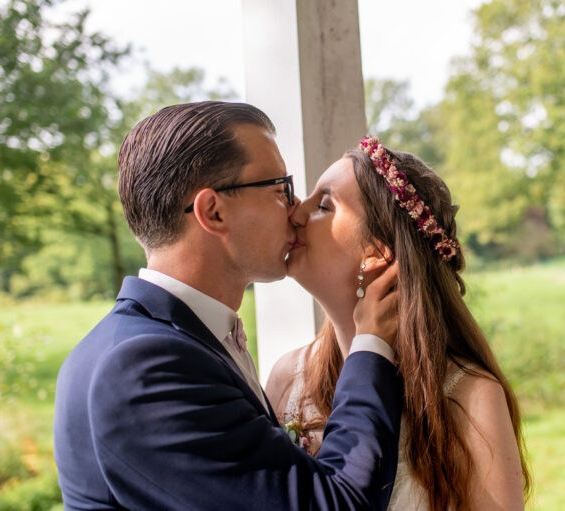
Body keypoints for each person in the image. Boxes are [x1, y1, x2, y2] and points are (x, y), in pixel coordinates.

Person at [53, 102, 404, 511]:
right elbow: (337, 504)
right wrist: (372, 343)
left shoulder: (177, 339)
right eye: (280, 189)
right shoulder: (143, 368)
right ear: (213, 212)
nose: (295, 212)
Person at [266, 136, 532, 511]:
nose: (294, 211)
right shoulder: (288, 378)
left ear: (377, 254)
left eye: (323, 205)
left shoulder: (470, 398)